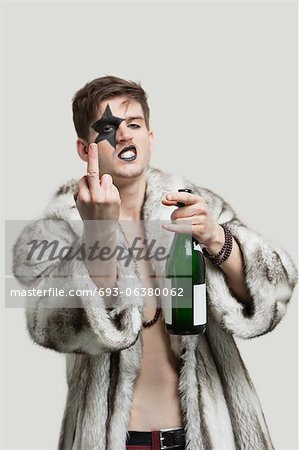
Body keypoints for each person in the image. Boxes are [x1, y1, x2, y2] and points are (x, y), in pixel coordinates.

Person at [13, 75, 297, 450]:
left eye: (135, 125)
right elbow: (49, 326)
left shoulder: (197, 205)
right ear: (85, 149)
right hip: (113, 439)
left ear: (150, 136)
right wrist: (97, 233)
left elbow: (275, 292)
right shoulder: (59, 227)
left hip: (215, 434)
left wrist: (217, 238)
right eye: (109, 128)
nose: (126, 136)